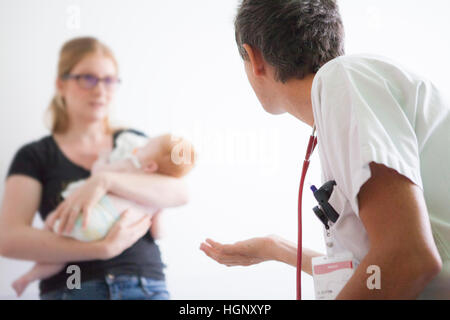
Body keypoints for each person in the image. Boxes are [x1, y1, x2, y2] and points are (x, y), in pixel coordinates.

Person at [200, 0, 449, 299]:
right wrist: (277, 248)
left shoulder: (342, 79)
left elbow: (408, 258)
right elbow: (375, 271)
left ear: (254, 58)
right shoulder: (344, 95)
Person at [0, 37, 190, 300]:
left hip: (144, 287)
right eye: (87, 78)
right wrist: (101, 249)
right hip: (73, 289)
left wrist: (103, 181)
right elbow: (9, 239)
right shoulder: (34, 156)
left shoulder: (134, 144)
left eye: (109, 80)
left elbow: (180, 192)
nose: (101, 90)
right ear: (61, 84)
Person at [12, 132, 196, 297]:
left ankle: (29, 276)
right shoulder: (155, 199)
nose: (138, 147)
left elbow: (99, 173)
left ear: (150, 166)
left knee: (60, 247)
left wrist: (103, 160)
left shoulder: (131, 166)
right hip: (116, 249)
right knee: (63, 250)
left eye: (145, 146)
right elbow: (158, 233)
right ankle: (30, 273)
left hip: (90, 220)